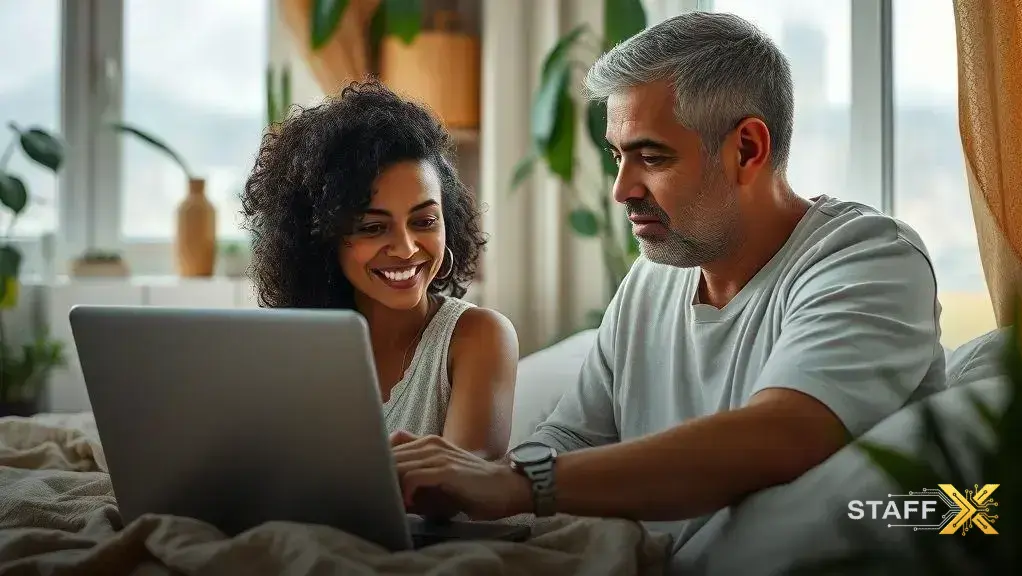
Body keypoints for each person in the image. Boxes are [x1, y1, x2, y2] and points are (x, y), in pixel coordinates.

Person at [389, 10, 947, 551]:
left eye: (650, 157)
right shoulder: (653, 278)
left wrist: (519, 483)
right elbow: (571, 440)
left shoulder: (866, 258)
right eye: (617, 157)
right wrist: (461, 489)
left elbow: (784, 435)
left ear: (747, 149)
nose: (621, 190)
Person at [241, 79, 519, 460]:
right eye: (373, 227)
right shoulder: (299, 347)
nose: (406, 249)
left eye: (424, 222)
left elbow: (463, 486)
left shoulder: (478, 337)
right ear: (321, 239)